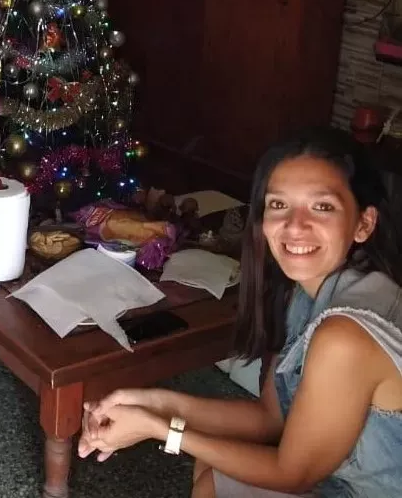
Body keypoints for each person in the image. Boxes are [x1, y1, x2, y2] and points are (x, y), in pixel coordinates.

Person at [78, 128, 402, 497]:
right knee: (215, 468)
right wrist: (151, 404)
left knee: (216, 482)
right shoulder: (310, 289)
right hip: (338, 476)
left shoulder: (345, 337)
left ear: (364, 223)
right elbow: (270, 419)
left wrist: (160, 430)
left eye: (322, 207)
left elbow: (292, 473)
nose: (295, 226)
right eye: (278, 205)